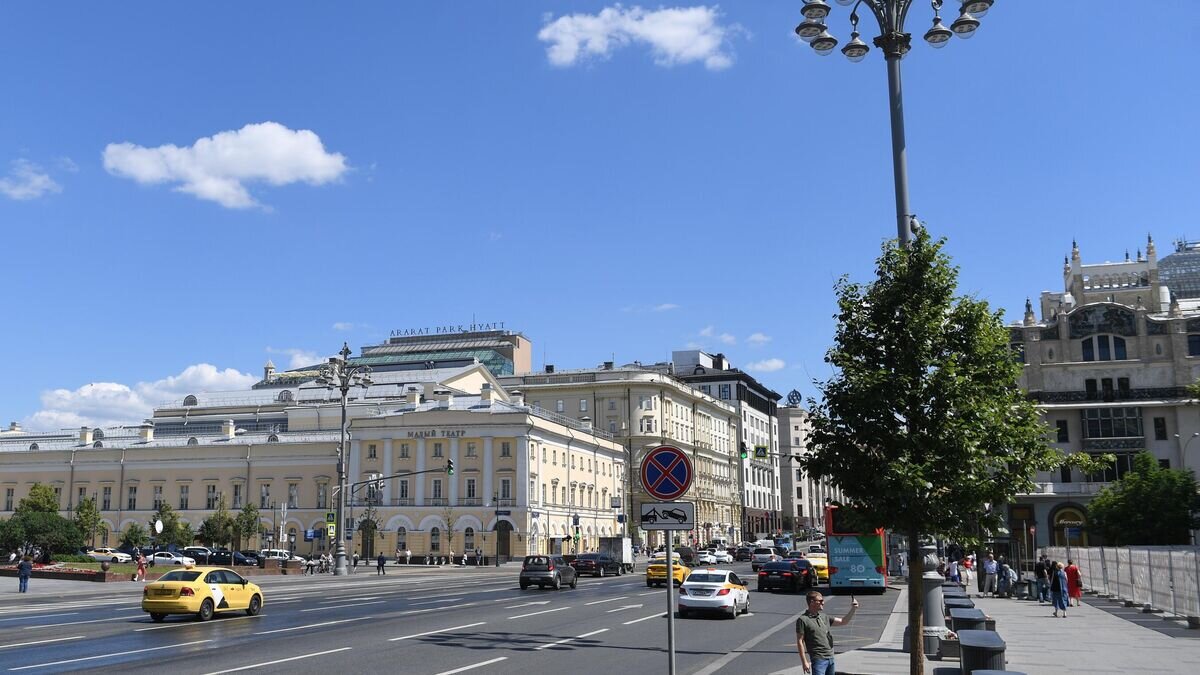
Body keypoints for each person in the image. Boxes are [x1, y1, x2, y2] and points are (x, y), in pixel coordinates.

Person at [796, 590, 858, 675]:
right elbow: (800, 641)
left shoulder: (824, 617)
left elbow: (843, 621)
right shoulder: (803, 620)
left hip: (830, 658)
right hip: (818, 659)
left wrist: (853, 609)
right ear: (812, 602)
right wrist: (804, 662)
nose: (823, 602)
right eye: (820, 601)